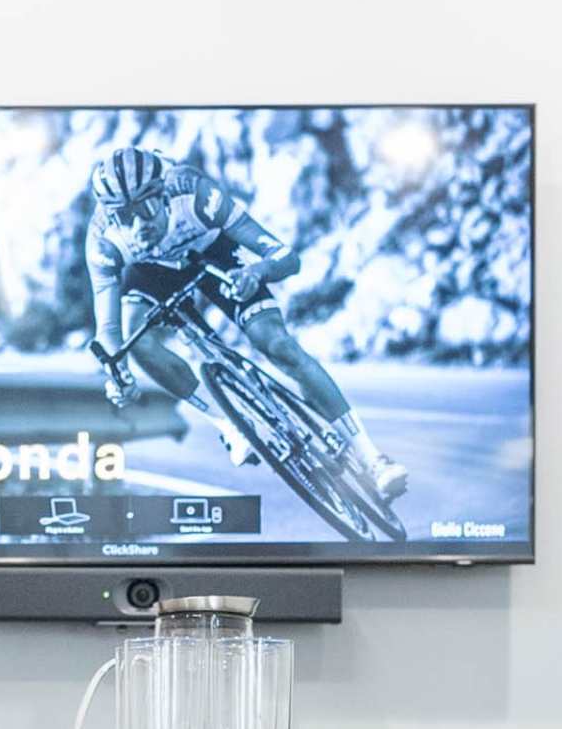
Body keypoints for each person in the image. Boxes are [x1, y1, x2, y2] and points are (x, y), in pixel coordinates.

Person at [82, 146, 407, 503]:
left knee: (277, 344)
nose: (137, 225)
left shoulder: (195, 192)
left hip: (213, 253)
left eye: (144, 208)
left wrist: (257, 272)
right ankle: (228, 424)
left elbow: (286, 257)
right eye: (123, 216)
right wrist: (117, 375)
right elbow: (109, 333)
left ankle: (372, 459)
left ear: (162, 195)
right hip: (151, 275)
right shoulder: (104, 242)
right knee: (135, 337)